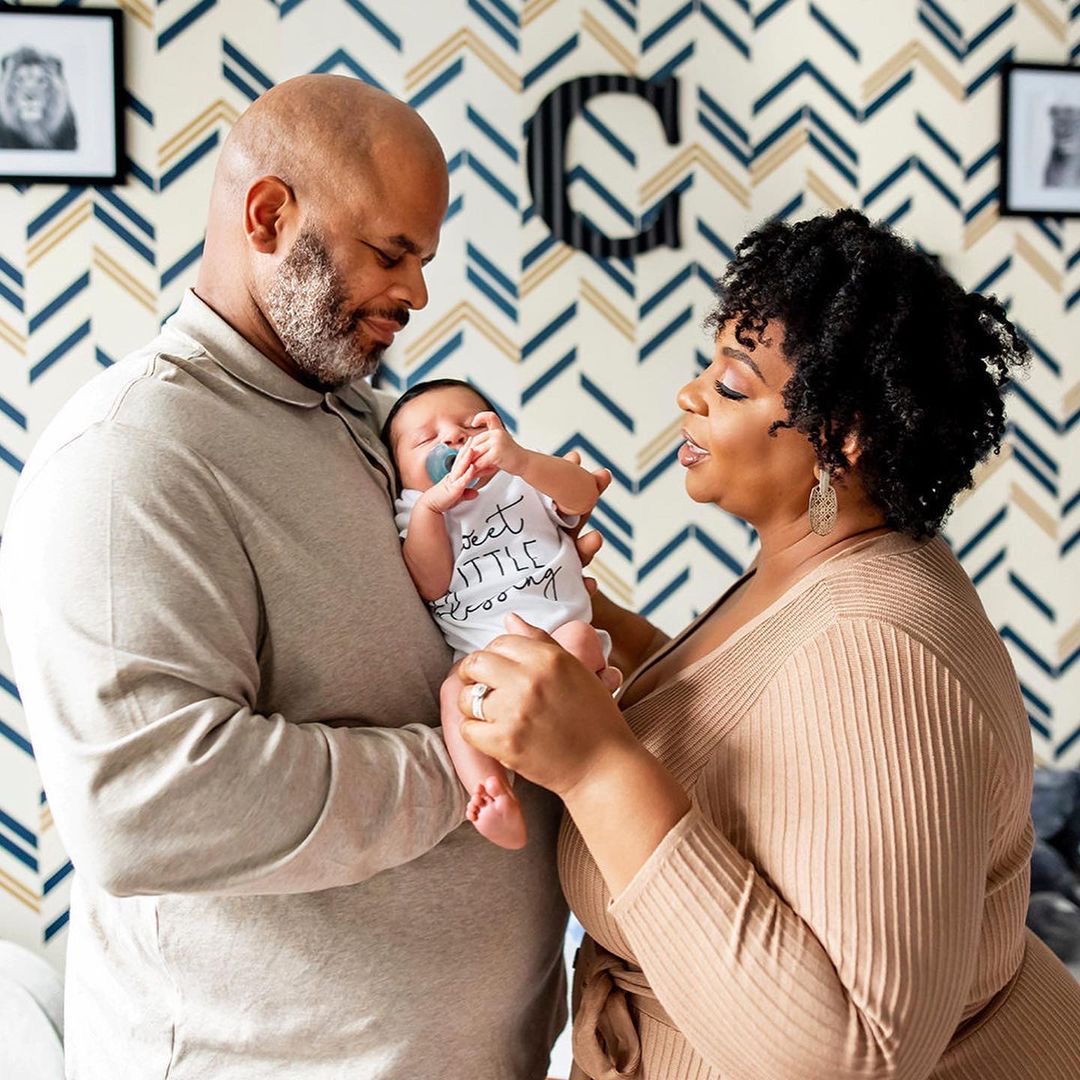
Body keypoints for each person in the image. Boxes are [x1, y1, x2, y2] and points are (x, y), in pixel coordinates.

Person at [0, 76, 575, 1079]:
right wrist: (483, 762)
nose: (417, 293)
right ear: (269, 216)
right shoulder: (132, 454)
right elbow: (149, 804)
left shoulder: (358, 418)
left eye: (424, 260)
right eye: (391, 252)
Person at [454, 210, 1080, 1078]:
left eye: (736, 386)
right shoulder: (828, 567)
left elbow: (858, 1055)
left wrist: (597, 765)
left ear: (842, 435)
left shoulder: (882, 649)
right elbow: (780, 721)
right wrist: (607, 629)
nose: (692, 395)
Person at [384, 378, 616, 849]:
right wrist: (432, 507)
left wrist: (524, 461)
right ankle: (492, 792)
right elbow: (431, 582)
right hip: (484, 657)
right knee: (453, 693)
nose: (451, 438)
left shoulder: (522, 482)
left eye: (469, 426)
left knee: (579, 639)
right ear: (398, 470)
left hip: (557, 634)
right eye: (425, 438)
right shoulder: (418, 510)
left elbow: (582, 497)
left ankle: (584, 737)